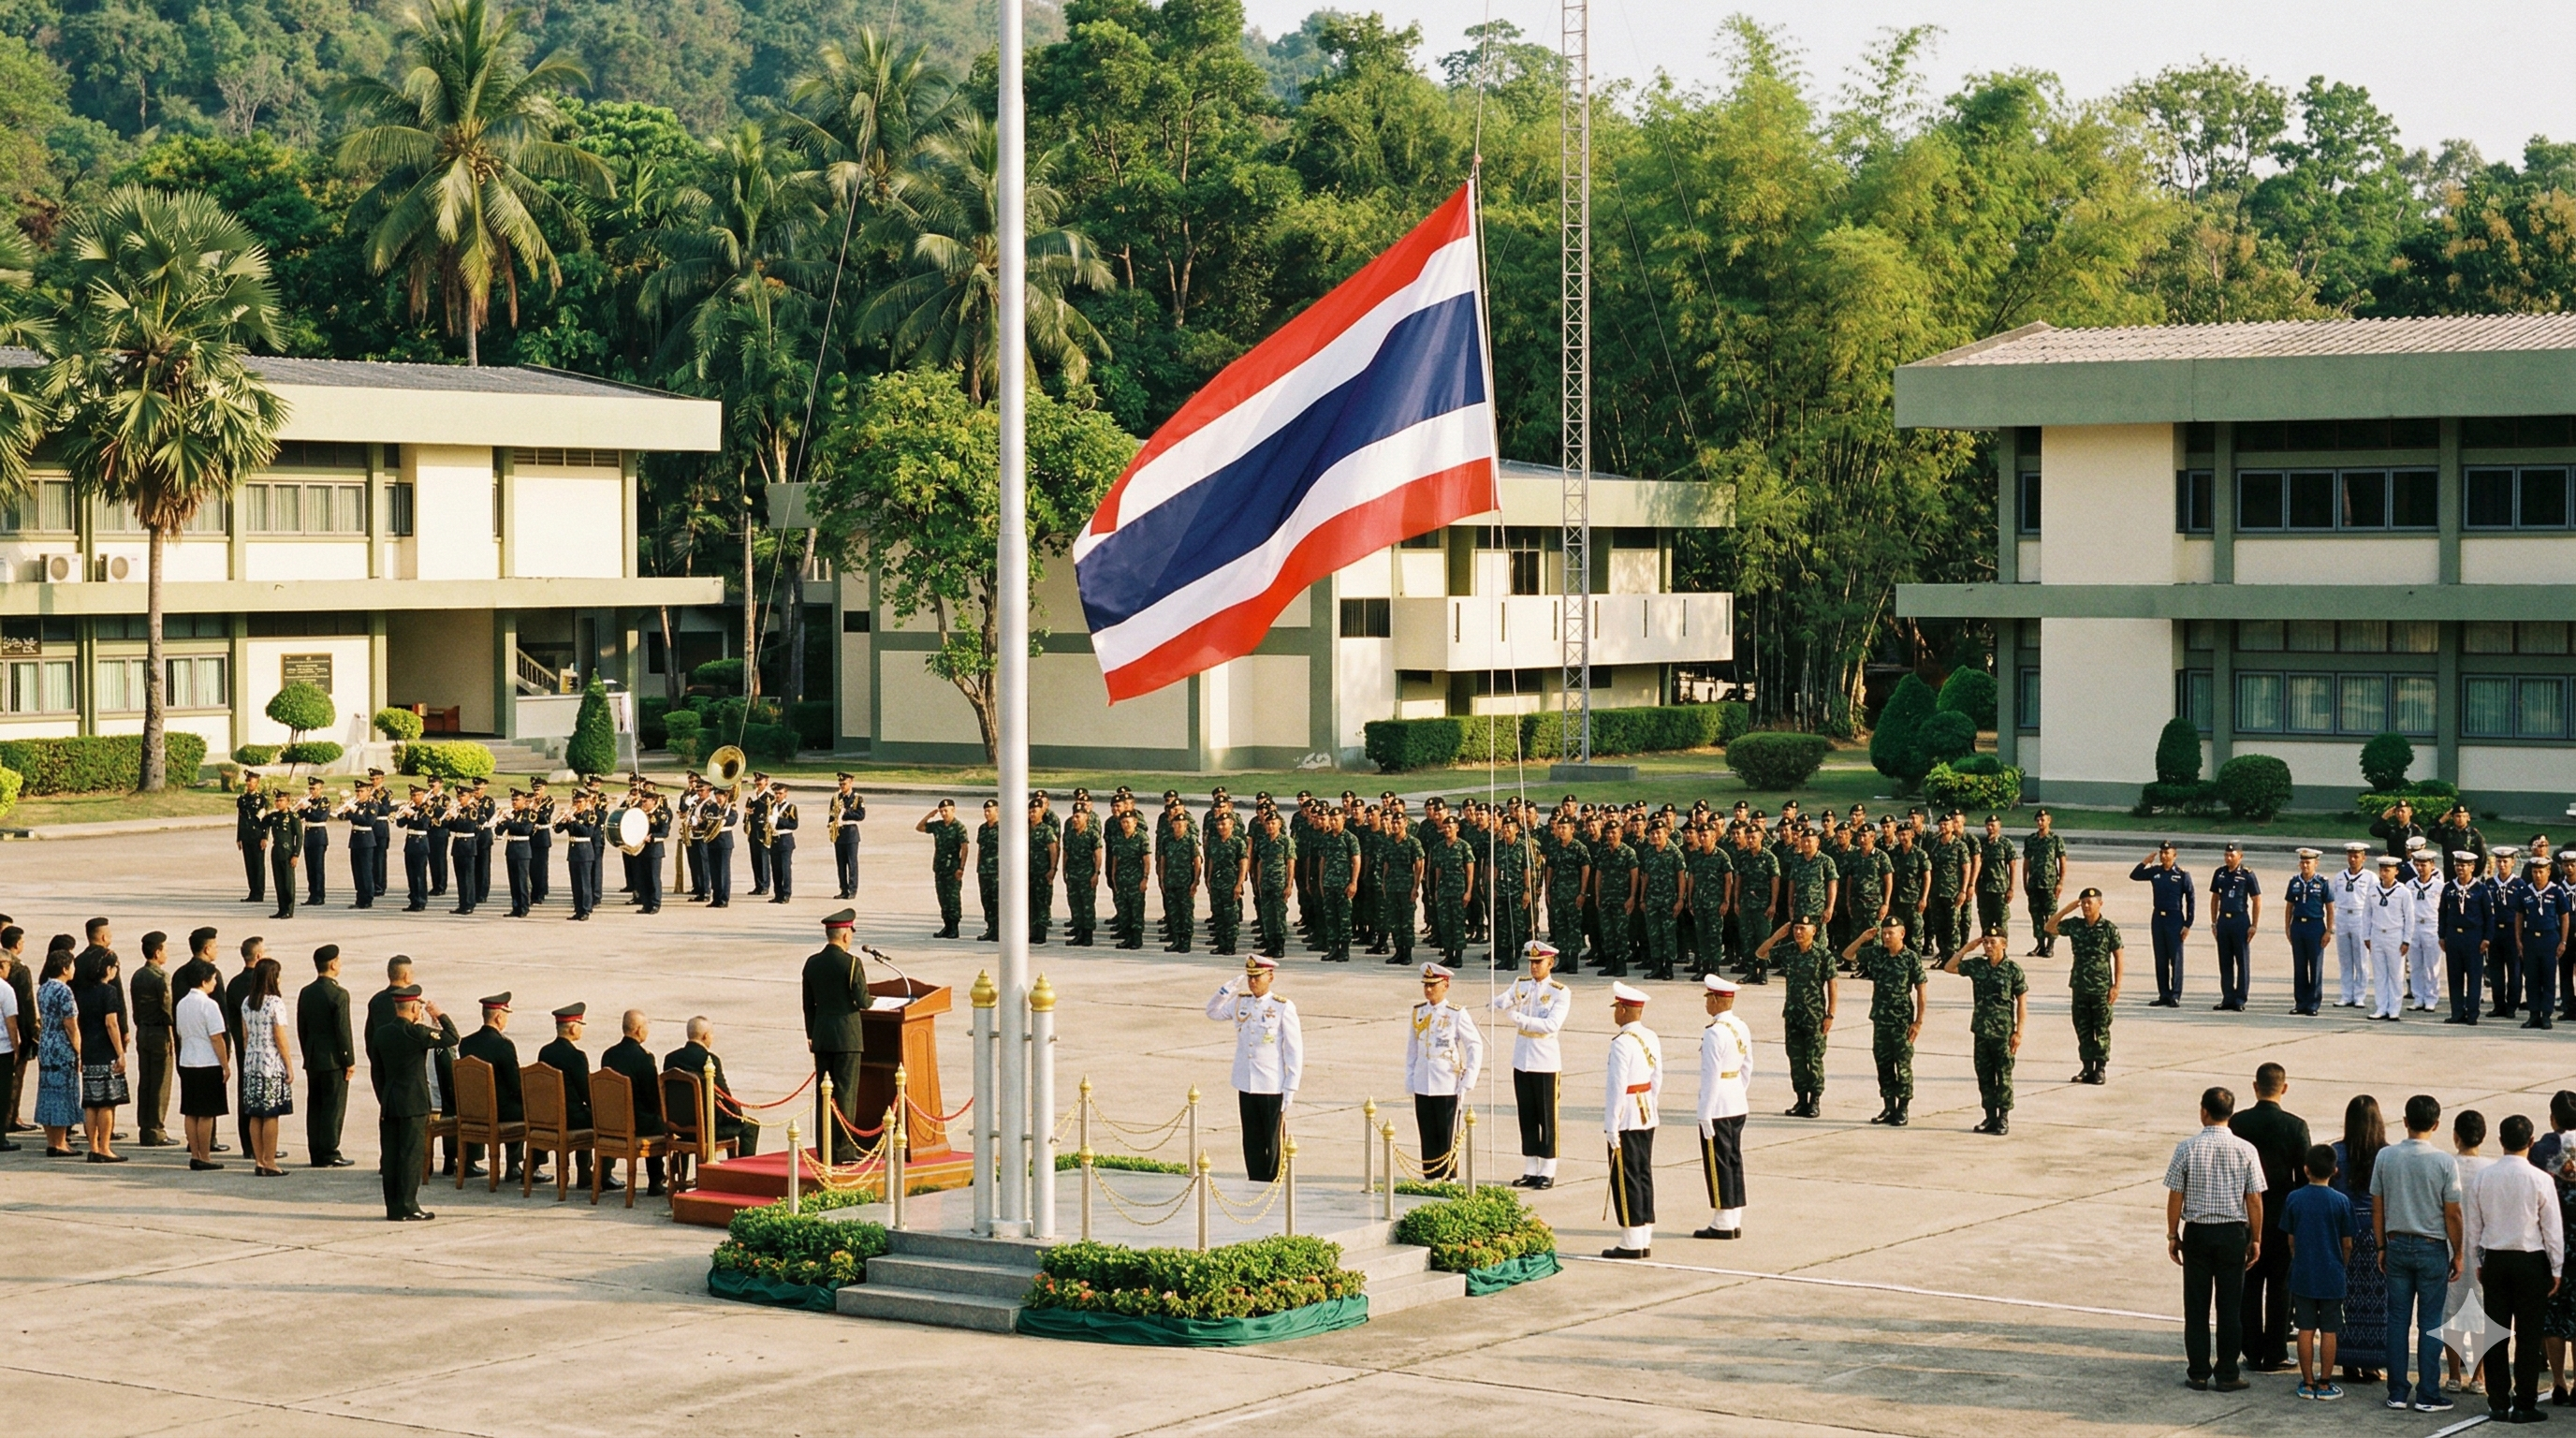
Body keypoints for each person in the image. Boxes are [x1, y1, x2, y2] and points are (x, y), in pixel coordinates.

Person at [2164, 1084, 2265, 1392]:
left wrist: (2173, 1234)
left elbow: (2176, 1195)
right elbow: (2254, 1199)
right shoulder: (2246, 1150)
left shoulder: (2186, 1148)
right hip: (2233, 1233)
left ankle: (2198, 1372)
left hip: (2197, 1233)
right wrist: (2256, 1238)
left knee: (2196, 1307)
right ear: (2230, 1114)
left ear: (2204, 1112)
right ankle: (2227, 1373)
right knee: (2230, 1308)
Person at [2374, 1093, 2464, 1413]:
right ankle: (2428, 1393)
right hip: (2431, 1246)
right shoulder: (2444, 1162)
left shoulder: (2386, 1156)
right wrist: (2458, 1253)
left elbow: (2378, 1206)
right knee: (2430, 1322)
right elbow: (2452, 1213)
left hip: (2396, 1243)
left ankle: (2397, 1391)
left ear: (2405, 1121)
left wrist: (2381, 1246)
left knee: (2397, 1320)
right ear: (2436, 1125)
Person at [2468, 1114, 2560, 1423]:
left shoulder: (2485, 1177)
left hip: (2495, 1259)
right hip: (2530, 1260)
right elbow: (2551, 1229)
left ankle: (2497, 1401)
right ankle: (2524, 1402)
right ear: (2531, 1142)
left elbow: (2474, 1225)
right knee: (2528, 1335)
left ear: (2500, 1141)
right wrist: (2556, 1267)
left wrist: (2478, 1260)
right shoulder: (2541, 1179)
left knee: (2496, 1333)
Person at [2229, 1063, 2312, 1375]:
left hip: (2244, 1214)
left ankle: (2251, 1350)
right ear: (2284, 1088)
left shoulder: (2238, 1122)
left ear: (2255, 1087)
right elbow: (2304, 1177)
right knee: (2280, 1288)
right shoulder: (2295, 1126)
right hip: (2281, 1215)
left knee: (2249, 1286)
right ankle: (2275, 1352)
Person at [1208, 956, 1301, 1181]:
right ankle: (1255, 1182)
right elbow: (1212, 1012)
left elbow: (1294, 1050)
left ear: (1270, 977)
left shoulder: (1282, 1006)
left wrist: (1290, 1087)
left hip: (1271, 1084)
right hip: (1245, 1081)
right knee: (1251, 1140)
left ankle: (1273, 1183)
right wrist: (1225, 990)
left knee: (1273, 1141)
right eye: (1250, 977)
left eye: (1257, 977)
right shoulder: (1241, 1001)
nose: (1252, 982)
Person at [1491, 940, 1572, 1189]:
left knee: (1547, 1118)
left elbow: (1551, 1025)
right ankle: (1530, 1167)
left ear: (1551, 963)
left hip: (1545, 1061)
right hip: (1522, 1059)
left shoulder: (1560, 992)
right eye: (1532, 962)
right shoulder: (1522, 983)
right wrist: (1497, 1002)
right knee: (1526, 1116)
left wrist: (1521, 1019)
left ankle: (1547, 1169)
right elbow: (1505, 999)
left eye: (1539, 962)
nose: (1534, 966)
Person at [372, 984, 454, 1220]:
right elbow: (452, 1037)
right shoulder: (416, 1033)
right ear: (414, 1009)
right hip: (413, 1103)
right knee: (410, 1156)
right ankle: (408, 1205)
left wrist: (385, 1096)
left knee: (391, 1156)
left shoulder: (382, 1033)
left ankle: (393, 1207)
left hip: (390, 1102)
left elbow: (377, 1071)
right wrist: (439, 1015)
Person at [2284, 1143, 2354, 1401]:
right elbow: (2348, 1243)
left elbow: (2291, 1239)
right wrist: (2341, 1264)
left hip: (2304, 1272)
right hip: (2332, 1273)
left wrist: (2298, 1258)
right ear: (2335, 1171)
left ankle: (2307, 1382)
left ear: (2306, 1170)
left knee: (2304, 1328)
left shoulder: (2294, 1198)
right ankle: (2325, 1383)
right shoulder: (2341, 1202)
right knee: (2329, 1329)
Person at [1400, 962, 1481, 1179]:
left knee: (1447, 1133)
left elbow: (1474, 1045)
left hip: (1447, 1082)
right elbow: (1412, 1049)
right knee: (1427, 1133)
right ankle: (1430, 1177)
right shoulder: (1418, 1012)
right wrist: (1410, 1078)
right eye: (1425, 985)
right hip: (1423, 1081)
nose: (1428, 989)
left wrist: (1469, 1078)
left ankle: (1448, 1178)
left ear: (1445, 985)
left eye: (1433, 985)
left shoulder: (1456, 1013)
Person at [1845, 918, 1926, 1127]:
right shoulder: (1877, 953)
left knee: (1903, 1065)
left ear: (1902, 934)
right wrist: (1862, 938)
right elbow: (1848, 955)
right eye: (1884, 933)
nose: (1887, 937)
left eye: (1891, 933)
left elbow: (1921, 990)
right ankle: (1889, 1107)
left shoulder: (1910, 958)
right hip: (1881, 1019)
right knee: (1883, 1065)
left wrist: (1918, 1021)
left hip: (1902, 1021)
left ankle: (1903, 1108)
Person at [1602, 982, 1662, 1259]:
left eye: (1617, 1008)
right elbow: (1657, 1077)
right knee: (1643, 1173)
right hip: (1646, 1110)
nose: (1615, 1013)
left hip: (1627, 1114)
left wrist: (1611, 1125)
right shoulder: (1650, 1036)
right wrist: (1651, 1104)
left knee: (1626, 1177)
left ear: (1624, 1010)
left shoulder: (1622, 1043)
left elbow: (1617, 1087)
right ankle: (1644, 1234)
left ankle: (1631, 1241)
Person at [2336, 1095, 2392, 1383]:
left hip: (2343, 1235)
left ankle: (2346, 1360)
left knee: (2345, 1299)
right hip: (2376, 1234)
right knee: (2377, 1301)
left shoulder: (2336, 1153)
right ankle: (2371, 1363)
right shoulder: (2387, 1155)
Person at [1693, 974, 1753, 1240]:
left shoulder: (1714, 1032)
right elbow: (1747, 1066)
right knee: (1733, 1159)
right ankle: (1734, 1216)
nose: (1706, 1003)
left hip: (1718, 1105)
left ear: (1716, 1000)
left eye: (1708, 998)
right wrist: (1737, 1091)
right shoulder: (1740, 1026)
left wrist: (1704, 1113)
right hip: (1736, 1099)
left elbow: (1710, 1075)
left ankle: (1723, 1221)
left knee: (1718, 1162)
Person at [1953, 932, 2027, 1136]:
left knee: (2003, 1077)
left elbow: (2022, 1003)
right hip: (1981, 1031)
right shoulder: (1978, 965)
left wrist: (2019, 1032)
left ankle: (2003, 1118)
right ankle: (1990, 1117)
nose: (1988, 946)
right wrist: (1966, 948)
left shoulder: (2013, 970)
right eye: (1985, 942)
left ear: (2004, 945)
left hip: (2003, 1033)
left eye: (1992, 942)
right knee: (1984, 1077)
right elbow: (1949, 967)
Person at [2050, 888, 2124, 1084]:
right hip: (2080, 985)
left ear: (2100, 904)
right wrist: (2066, 909)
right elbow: (2049, 927)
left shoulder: (2109, 928)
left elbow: (2119, 956)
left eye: (2089, 902)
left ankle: (2100, 1069)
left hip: (2101, 987)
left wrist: (2116, 986)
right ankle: (2087, 1067)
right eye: (2083, 902)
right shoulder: (2075, 925)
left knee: (2101, 1029)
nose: (2085, 906)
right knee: (2082, 1029)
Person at [537, 1004, 613, 1193]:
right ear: (572, 1028)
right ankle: (598, 1174)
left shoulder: (545, 1052)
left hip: (548, 1115)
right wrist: (602, 1109)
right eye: (580, 1025)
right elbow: (586, 1092)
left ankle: (587, 1173)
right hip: (570, 1118)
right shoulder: (576, 1056)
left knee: (586, 1114)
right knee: (607, 1121)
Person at [666, 1015, 762, 1158]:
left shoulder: (671, 1059)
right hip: (707, 1128)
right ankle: (741, 1169)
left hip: (677, 1127)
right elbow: (724, 1095)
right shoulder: (710, 1060)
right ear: (705, 1036)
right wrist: (737, 1115)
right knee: (751, 1125)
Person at [456, 992, 527, 1183]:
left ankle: (469, 1161)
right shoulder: (503, 1045)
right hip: (499, 1111)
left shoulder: (466, 1043)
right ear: (498, 1017)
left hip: (471, 1109)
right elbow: (514, 1084)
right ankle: (515, 1165)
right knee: (527, 1110)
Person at [2447, 1110, 2493, 1398]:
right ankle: (2478, 1376)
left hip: (2450, 1247)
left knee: (2451, 1312)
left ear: (2456, 1136)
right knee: (2481, 1312)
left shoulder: (2446, 1165)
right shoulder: (2490, 1169)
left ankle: (2453, 1375)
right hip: (2481, 1250)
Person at [297, 946, 355, 1168]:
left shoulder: (306, 992)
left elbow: (302, 1027)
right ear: (332, 964)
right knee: (333, 1107)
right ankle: (330, 1151)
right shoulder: (339, 994)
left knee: (315, 1107)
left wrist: (307, 1053)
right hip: (333, 1060)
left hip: (313, 1057)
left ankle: (316, 1151)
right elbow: (343, 1031)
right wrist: (348, 1060)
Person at [600, 1010, 667, 1196]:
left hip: (610, 1121)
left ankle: (603, 1174)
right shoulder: (644, 1058)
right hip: (637, 1123)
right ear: (638, 1030)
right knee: (660, 1123)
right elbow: (652, 1097)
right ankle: (656, 1180)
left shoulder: (608, 1055)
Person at [238, 957, 293, 1177]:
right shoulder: (275, 1003)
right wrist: (288, 1065)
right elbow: (280, 1037)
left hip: (252, 1062)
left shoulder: (247, 1002)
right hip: (271, 1064)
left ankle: (259, 1160)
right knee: (271, 1113)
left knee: (255, 1114)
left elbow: (245, 1036)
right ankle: (270, 1161)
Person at [72, 946, 127, 1164]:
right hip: (105, 1051)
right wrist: (120, 1052)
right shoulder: (108, 991)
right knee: (106, 1102)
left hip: (88, 1050)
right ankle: (105, 1147)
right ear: (107, 969)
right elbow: (111, 1023)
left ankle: (93, 1148)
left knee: (91, 1102)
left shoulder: (82, 993)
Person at [174, 960, 230, 1171]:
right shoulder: (209, 1005)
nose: (215, 983)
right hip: (207, 1062)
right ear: (204, 981)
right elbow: (217, 1037)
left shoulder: (182, 1004)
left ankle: (195, 1154)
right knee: (206, 1113)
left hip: (187, 1060)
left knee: (191, 1111)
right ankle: (205, 1156)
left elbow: (180, 1033)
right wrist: (225, 1065)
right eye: (213, 979)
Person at [2131, 842, 2196, 1007]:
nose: (2164, 856)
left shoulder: (2182, 875)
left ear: (2175, 855)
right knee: (2160, 958)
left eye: (2167, 853)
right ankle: (2164, 994)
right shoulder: (2156, 872)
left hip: (2175, 919)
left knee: (2176, 959)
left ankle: (2175, 995)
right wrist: (2146, 861)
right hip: (2158, 918)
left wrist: (2188, 924)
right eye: (2162, 853)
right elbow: (2135, 875)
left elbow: (2191, 899)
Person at [129, 930, 173, 1147]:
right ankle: (156, 1129)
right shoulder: (161, 977)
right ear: (157, 952)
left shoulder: (138, 975)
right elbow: (167, 1009)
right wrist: (172, 1035)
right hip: (159, 1033)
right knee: (160, 1083)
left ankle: (145, 1128)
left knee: (145, 1082)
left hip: (143, 1030)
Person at [34, 951, 80, 1156]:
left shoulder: (43, 988)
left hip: (46, 1043)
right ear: (64, 968)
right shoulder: (64, 991)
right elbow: (70, 1025)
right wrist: (79, 1049)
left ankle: (52, 1141)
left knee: (47, 1091)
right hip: (61, 1045)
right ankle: (61, 1143)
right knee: (62, 1093)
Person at [2206, 843, 2261, 1012]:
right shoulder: (2220, 873)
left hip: (2240, 920)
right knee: (2225, 961)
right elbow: (2215, 898)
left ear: (2240, 856)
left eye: (2232, 855)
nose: (2228, 858)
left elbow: (2256, 899)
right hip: (2224, 920)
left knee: (2242, 961)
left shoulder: (2247, 875)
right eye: (2226, 855)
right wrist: (2214, 922)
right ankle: (2227, 997)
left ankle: (2240, 998)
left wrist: (2254, 925)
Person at [2443, 850, 2495, 1025]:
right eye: (2458, 865)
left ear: (2472, 867)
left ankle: (2472, 1013)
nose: (2460, 868)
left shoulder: (2480, 889)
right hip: (2453, 936)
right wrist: (2442, 935)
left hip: (2473, 936)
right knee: (2455, 977)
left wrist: (2487, 938)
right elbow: (2442, 913)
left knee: (2474, 977)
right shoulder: (2449, 888)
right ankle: (2457, 1012)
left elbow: (2489, 916)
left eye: (2464, 865)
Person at [2363, 856, 2411, 1022]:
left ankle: (2394, 1009)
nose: (2383, 873)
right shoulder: (2373, 891)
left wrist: (2406, 940)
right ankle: (2381, 1007)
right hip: (2377, 934)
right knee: (2380, 974)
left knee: (2396, 974)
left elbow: (2409, 917)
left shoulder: (2403, 892)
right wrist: (2367, 936)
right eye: (2382, 870)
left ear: (2396, 871)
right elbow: (2367, 915)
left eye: (2387, 870)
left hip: (2395, 935)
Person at [2283, 848, 2332, 1016]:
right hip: (2298, 926)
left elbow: (2330, 907)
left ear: (2316, 863)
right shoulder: (2294, 882)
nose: (2305, 865)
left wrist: (2329, 930)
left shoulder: (2322, 882)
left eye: (2308, 862)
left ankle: (2313, 1004)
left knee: (2315, 965)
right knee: (2300, 965)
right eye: (2302, 862)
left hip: (2315, 926)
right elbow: (2289, 906)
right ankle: (2300, 1002)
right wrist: (2288, 927)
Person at [2332, 842, 2374, 1009]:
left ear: (2364, 858)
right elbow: (2332, 898)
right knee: (2345, 960)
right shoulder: (2339, 876)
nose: (2353, 859)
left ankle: (2359, 996)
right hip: (2342, 916)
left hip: (2360, 916)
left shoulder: (2370, 877)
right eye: (2350, 855)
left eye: (2356, 856)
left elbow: (2373, 902)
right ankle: (2346, 995)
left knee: (2361, 960)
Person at [2023, 809, 2065, 958]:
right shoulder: (2031, 839)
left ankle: (2050, 945)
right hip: (2034, 883)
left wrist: (2060, 882)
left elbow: (2062, 861)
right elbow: (2027, 861)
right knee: (2036, 916)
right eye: (2038, 820)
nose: (2040, 823)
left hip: (2050, 884)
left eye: (2043, 820)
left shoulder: (2055, 839)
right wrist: (2025, 881)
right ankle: (2040, 945)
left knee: (2051, 916)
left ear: (2049, 820)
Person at [829, 774, 866, 902]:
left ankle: (852, 889)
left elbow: (861, 815)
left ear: (851, 783)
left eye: (844, 784)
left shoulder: (857, 798)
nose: (842, 786)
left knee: (852, 863)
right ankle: (843, 889)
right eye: (840, 784)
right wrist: (831, 825)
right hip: (839, 833)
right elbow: (831, 814)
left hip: (851, 833)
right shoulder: (836, 797)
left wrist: (845, 812)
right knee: (841, 864)